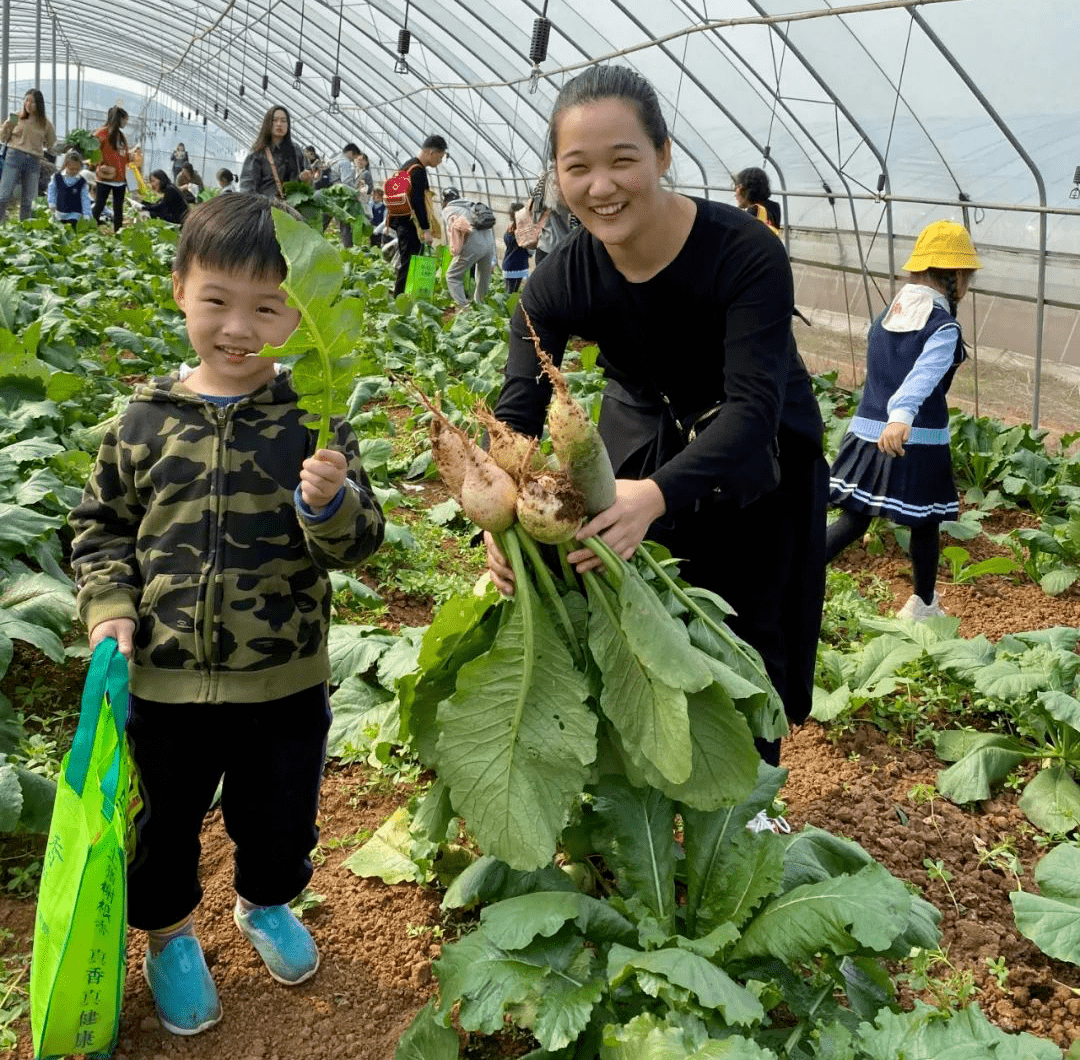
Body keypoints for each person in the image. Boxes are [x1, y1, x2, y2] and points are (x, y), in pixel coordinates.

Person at [68, 192, 385, 1036]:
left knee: (280, 814)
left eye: (265, 307)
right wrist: (110, 610)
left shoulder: (314, 425)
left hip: (282, 680)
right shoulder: (142, 423)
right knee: (160, 825)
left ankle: (265, 901)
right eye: (216, 301)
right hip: (164, 684)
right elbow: (100, 529)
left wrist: (332, 505)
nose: (237, 327)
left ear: (297, 317)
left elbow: (361, 546)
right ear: (180, 291)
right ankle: (168, 937)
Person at [486, 65, 827, 769]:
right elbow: (517, 409)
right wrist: (496, 515)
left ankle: (751, 803)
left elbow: (753, 409)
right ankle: (645, 778)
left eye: (623, 161)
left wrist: (658, 496)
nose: (601, 187)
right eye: (578, 167)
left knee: (748, 629)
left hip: (756, 449)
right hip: (638, 433)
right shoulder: (561, 278)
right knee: (632, 615)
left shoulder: (746, 253)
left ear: (663, 156)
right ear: (558, 174)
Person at [825, 221, 981, 620]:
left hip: (864, 433)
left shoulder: (886, 316)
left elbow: (884, 370)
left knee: (854, 521)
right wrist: (901, 417)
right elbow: (922, 377)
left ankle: (796, 575)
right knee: (925, 522)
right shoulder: (943, 327)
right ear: (957, 276)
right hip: (915, 437)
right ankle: (923, 605)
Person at [387, 134, 447, 296]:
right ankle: (399, 300)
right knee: (409, 263)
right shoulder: (418, 171)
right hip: (409, 224)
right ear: (431, 152)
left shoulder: (407, 165)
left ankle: (403, 298)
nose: (439, 162)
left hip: (400, 221)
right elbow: (418, 201)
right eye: (440, 157)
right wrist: (426, 229)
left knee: (407, 261)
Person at [0, 89, 55, 222]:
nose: (28, 104)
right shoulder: (16, 117)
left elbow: (51, 143)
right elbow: (2, 138)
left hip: (34, 160)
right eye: (26, 100)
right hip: (14, 156)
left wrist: (46, 144)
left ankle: (25, 228)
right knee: (4, 195)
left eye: (33, 102)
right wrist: (6, 127)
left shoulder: (45, 123)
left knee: (28, 200)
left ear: (39, 105)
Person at [239, 106, 312, 197]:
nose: (279, 124)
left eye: (283, 121)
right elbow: (247, 189)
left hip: (294, 207)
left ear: (288, 125)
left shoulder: (296, 150)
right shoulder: (257, 154)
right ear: (268, 124)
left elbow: (308, 176)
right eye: (275, 120)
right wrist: (267, 202)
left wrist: (305, 177)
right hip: (267, 208)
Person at [442, 189, 496, 307]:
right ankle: (481, 306)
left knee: (452, 276)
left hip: (473, 244)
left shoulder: (448, 209)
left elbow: (455, 229)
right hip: (488, 243)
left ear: (445, 200)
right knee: (483, 277)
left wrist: (456, 249)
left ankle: (464, 307)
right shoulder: (472, 204)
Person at [92, 106, 130, 232]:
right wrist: (97, 163)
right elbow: (92, 151)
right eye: (125, 119)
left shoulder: (121, 136)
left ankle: (118, 233)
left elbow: (125, 157)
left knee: (117, 209)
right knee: (99, 205)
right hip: (105, 177)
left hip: (120, 179)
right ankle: (88, 228)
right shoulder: (101, 133)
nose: (126, 122)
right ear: (119, 118)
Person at [47, 149, 93, 227]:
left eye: (77, 169)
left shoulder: (82, 182)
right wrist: (52, 203)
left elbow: (85, 198)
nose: (75, 171)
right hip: (59, 213)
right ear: (65, 165)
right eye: (72, 169)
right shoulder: (56, 177)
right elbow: (51, 191)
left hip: (75, 214)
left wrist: (87, 214)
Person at [733, 166, 781, 234]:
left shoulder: (753, 212)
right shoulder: (774, 207)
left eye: (737, 187)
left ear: (744, 189)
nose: (735, 194)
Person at [502, 203, 530, 293]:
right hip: (519, 265)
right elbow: (530, 251)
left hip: (511, 264)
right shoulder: (523, 229)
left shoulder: (510, 228)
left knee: (510, 294)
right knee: (513, 293)